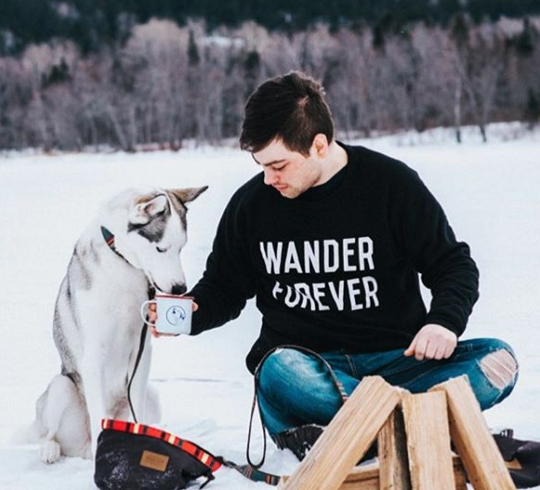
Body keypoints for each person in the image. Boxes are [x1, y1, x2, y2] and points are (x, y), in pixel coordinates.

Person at [150, 71, 518, 461]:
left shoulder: (390, 184)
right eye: (261, 165)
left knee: (498, 361)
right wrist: (192, 311)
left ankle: (359, 431)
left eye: (279, 165)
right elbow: (224, 288)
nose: (269, 178)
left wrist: (443, 322)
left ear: (319, 145)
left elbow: (453, 264)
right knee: (276, 370)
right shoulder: (251, 206)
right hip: (307, 370)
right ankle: (417, 422)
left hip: (398, 362)